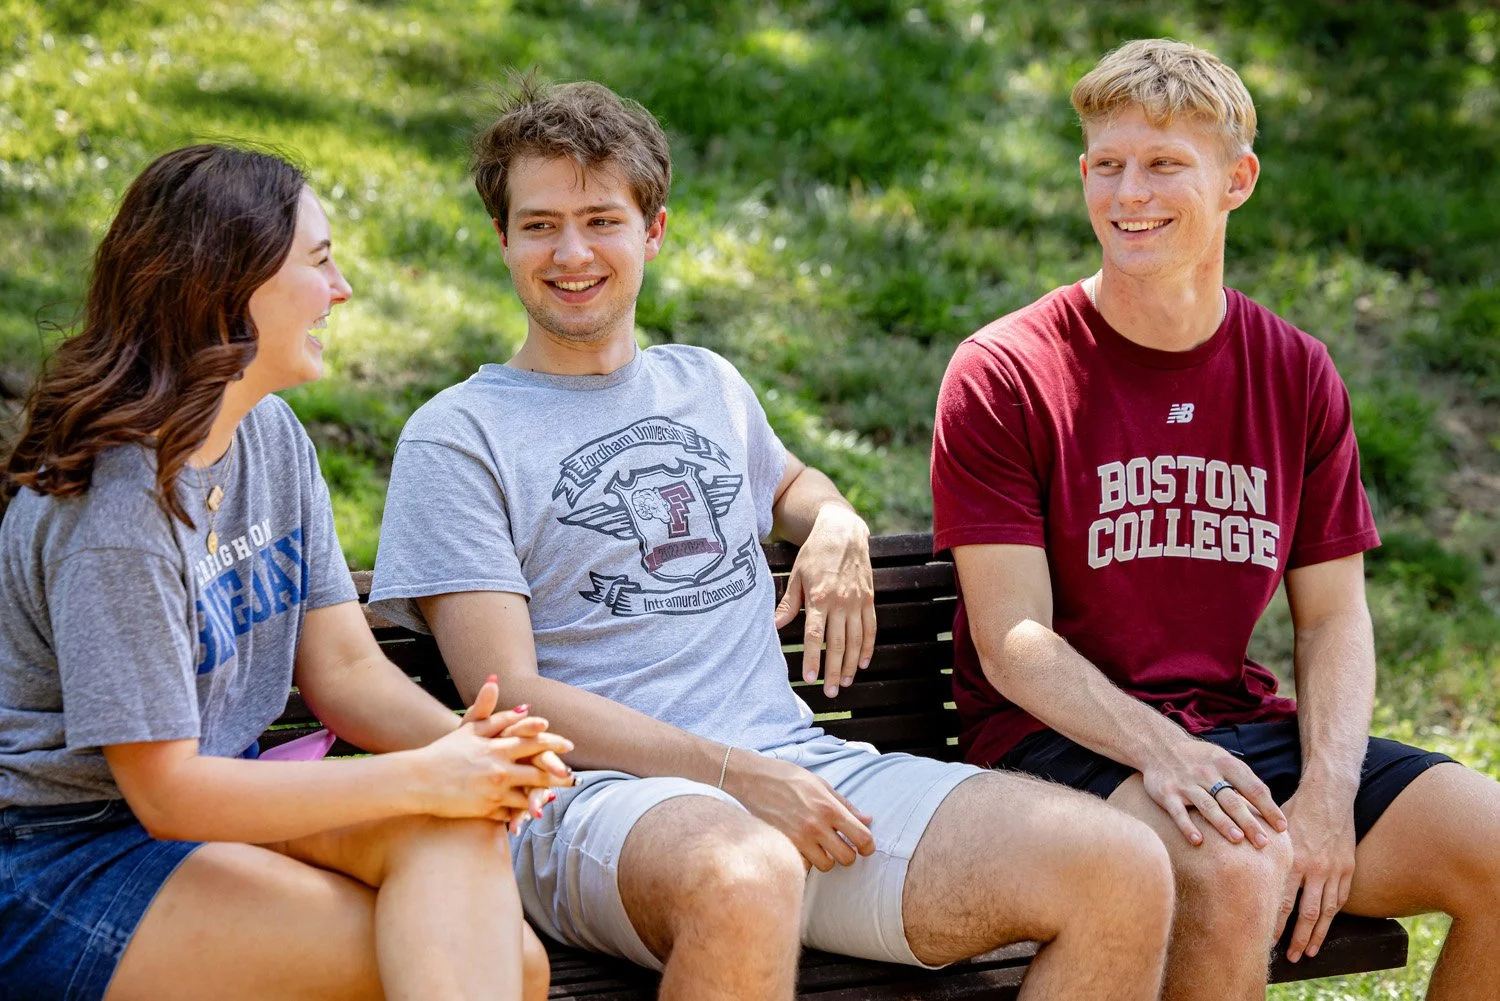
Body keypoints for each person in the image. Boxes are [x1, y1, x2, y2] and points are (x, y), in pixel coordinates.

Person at [367, 79, 1175, 1001]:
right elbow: (506, 693)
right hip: (589, 800)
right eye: (541, 225)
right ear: (504, 240)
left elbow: (791, 484)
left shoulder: (705, 383)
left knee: (1121, 864)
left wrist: (834, 518)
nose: (573, 252)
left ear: (653, 231)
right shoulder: (460, 432)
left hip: (797, 773)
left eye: (601, 219)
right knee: (748, 874)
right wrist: (732, 775)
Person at [931, 38, 1500, 1001]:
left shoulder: (1296, 371)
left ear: (1238, 180)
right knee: (1237, 870)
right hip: (1060, 740)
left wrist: (1325, 793)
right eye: (1107, 165)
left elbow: (1332, 618)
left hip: (1233, 729)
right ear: (1081, 175)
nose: (1128, 193)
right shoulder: (1007, 369)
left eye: (1163, 165)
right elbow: (1012, 640)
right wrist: (1164, 752)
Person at [0, 144, 574, 1001]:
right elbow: (165, 792)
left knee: (465, 875)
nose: (341, 290)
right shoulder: (120, 511)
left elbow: (343, 669)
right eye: (320, 261)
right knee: (491, 967)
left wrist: (473, 752)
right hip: (64, 854)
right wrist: (427, 773)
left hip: (218, 808)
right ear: (228, 286)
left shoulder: (269, 435)